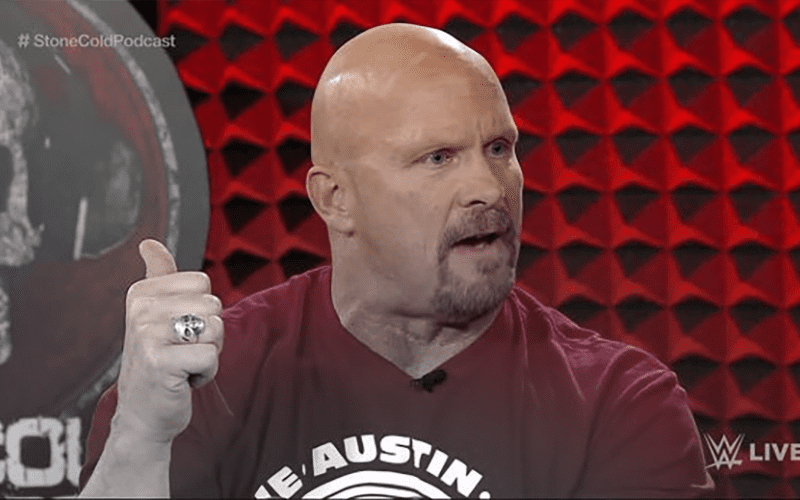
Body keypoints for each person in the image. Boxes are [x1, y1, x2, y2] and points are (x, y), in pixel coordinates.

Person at [79, 23, 714, 498]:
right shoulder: (208, 383)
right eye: (438, 158)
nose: (488, 189)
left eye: (499, 149)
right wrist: (141, 436)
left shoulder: (620, 405)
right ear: (336, 199)